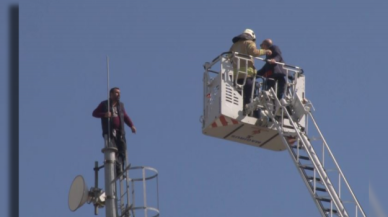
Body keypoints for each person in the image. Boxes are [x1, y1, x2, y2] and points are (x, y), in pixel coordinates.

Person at [92, 87, 137, 175]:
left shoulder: (121, 106)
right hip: (110, 132)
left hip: (120, 132)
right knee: (113, 150)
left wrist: (131, 125)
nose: (118, 94)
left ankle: (120, 168)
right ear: (111, 94)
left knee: (122, 150)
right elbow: (94, 113)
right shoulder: (104, 104)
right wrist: (104, 114)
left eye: (119, 93)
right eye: (116, 93)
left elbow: (125, 117)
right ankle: (116, 168)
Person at [229, 29, 272, 111]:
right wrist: (266, 51)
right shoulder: (249, 42)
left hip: (235, 77)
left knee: (239, 96)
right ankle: (249, 111)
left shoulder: (234, 46)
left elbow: (228, 57)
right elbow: (254, 52)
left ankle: (241, 110)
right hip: (247, 76)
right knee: (249, 98)